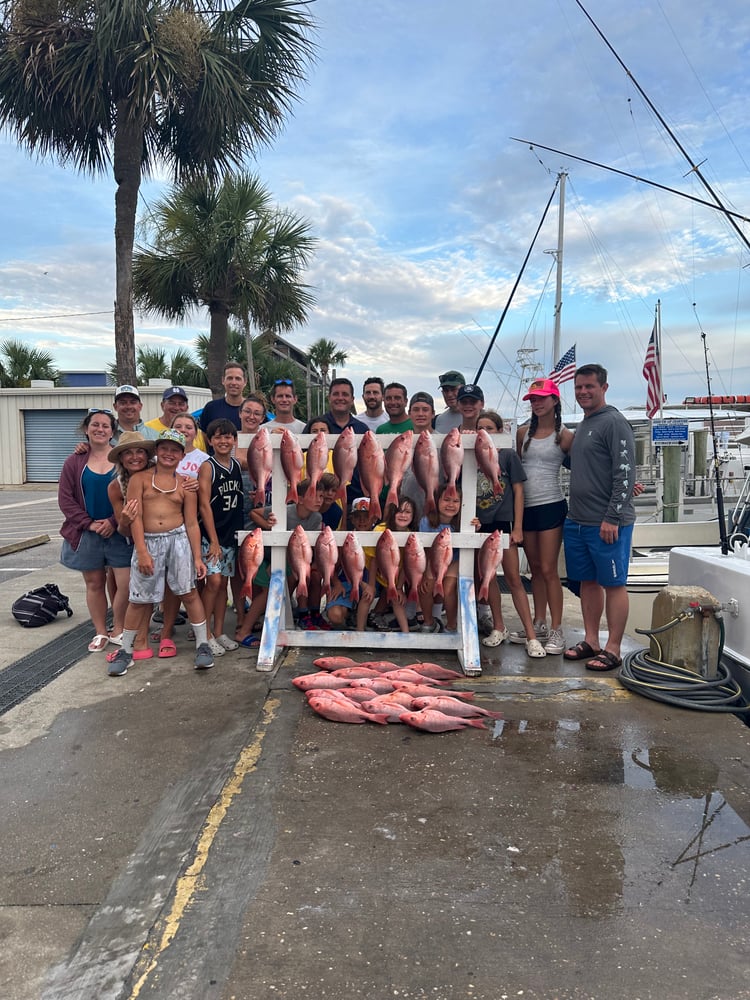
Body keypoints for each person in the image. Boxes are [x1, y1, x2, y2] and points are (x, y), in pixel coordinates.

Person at [106, 429, 214, 676]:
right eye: (164, 448)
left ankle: (203, 644)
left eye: (174, 450)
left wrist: (197, 556)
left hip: (178, 542)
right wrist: (142, 551)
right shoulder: (140, 480)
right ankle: (126, 651)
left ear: (181, 454)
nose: (168, 454)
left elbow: (191, 523)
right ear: (157, 451)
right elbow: (136, 517)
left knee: (189, 592)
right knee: (139, 598)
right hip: (149, 542)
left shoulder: (186, 483)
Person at [562, 364, 636, 671]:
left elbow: (625, 472)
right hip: (576, 520)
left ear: (604, 387)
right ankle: (591, 640)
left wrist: (612, 518)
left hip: (606, 522)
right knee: (588, 583)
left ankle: (613, 647)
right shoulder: (585, 424)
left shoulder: (614, 422)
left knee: (614, 583)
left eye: (589, 387)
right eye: (578, 387)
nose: (583, 392)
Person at [58, 408, 137, 653]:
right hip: (88, 532)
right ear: (86, 428)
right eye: (96, 425)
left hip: (119, 532)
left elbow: (133, 494)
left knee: (125, 583)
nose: (100, 429)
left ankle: (119, 628)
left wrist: (113, 522)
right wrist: (89, 523)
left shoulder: (122, 458)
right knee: (94, 583)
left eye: (105, 426)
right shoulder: (75, 461)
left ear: (112, 431)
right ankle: (101, 631)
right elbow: (66, 499)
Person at [473, 409, 543, 655]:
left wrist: (519, 527)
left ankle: (530, 635)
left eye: (489, 428)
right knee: (488, 577)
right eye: (480, 428)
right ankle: (498, 626)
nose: (484, 432)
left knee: (513, 578)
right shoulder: (470, 454)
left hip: (504, 523)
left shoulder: (509, 456)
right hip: (481, 523)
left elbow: (519, 491)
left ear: (500, 431)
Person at [514, 378, 574, 656]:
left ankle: (557, 628)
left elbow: (583, 469)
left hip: (551, 504)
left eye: (542, 398)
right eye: (533, 400)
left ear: (555, 401)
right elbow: (515, 471)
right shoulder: (522, 433)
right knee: (534, 568)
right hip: (526, 508)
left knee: (549, 569)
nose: (537, 403)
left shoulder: (565, 435)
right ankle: (538, 622)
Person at [236, 478, 326, 642]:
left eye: (321, 496)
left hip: (286, 559)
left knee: (290, 581)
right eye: (314, 495)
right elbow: (253, 513)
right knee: (269, 592)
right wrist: (268, 525)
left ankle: (279, 618)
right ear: (299, 497)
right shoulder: (285, 511)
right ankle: (244, 631)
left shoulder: (316, 518)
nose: (319, 500)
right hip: (262, 556)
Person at [105, 431, 157, 662]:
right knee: (132, 592)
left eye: (139, 452)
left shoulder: (160, 474)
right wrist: (125, 519)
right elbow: (123, 530)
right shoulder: (116, 487)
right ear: (121, 458)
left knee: (149, 595)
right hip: (131, 543)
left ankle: (142, 637)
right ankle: (125, 634)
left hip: (161, 539)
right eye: (128, 453)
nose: (135, 457)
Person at [198, 419, 244, 656]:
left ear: (234, 440)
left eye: (228, 437)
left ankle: (218, 632)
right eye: (218, 437)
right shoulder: (208, 466)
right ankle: (203, 634)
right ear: (210, 440)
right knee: (213, 582)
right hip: (211, 534)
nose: (223, 441)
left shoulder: (236, 464)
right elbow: (204, 505)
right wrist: (213, 540)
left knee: (223, 584)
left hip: (230, 533)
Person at [418, 484, 479, 634]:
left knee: (448, 588)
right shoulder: (426, 522)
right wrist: (426, 573)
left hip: (455, 560)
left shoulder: (464, 522)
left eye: (456, 501)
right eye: (446, 500)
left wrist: (476, 527)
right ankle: (428, 621)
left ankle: (451, 625)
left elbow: (474, 537)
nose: (450, 505)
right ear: (437, 501)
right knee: (425, 587)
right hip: (433, 560)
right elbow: (426, 551)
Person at [146, 386, 208, 451]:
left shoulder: (196, 433)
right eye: (172, 403)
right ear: (162, 405)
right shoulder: (147, 429)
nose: (176, 408)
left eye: (181, 404)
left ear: (187, 407)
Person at [199, 361, 247, 431]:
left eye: (238, 379)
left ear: (245, 382)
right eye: (230, 378)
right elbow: (203, 437)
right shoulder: (211, 408)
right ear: (223, 380)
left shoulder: (254, 410)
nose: (233, 383)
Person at [172, 413, 210, 480]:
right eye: (178, 427)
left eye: (188, 427)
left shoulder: (206, 459)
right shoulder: (160, 458)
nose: (183, 430)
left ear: (196, 433)